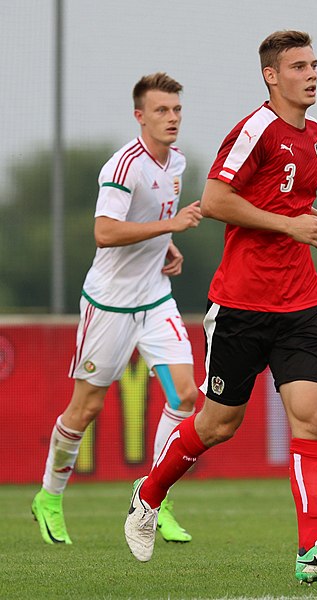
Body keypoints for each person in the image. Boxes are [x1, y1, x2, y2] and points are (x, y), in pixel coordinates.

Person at [124, 32, 317, 584]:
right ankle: (150, 491)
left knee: (313, 415)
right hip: (241, 303)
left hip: (301, 300)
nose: (312, 74)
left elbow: (290, 205)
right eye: (299, 66)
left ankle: (310, 551)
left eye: (314, 64)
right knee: (217, 424)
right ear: (271, 76)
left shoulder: (315, 135)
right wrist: (289, 225)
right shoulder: (255, 129)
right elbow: (214, 201)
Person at [32, 72, 202, 546]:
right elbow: (105, 232)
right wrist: (172, 224)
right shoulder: (123, 166)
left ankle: (154, 496)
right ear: (140, 116)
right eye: (162, 111)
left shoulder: (178, 162)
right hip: (108, 305)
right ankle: (48, 496)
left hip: (155, 300)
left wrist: (165, 246)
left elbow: (147, 225)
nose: (171, 119)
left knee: (186, 396)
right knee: (84, 408)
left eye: (176, 110)